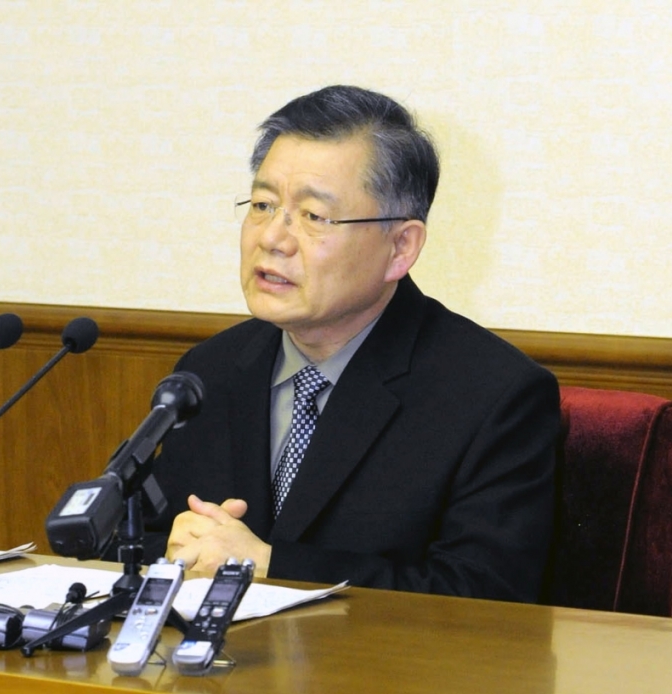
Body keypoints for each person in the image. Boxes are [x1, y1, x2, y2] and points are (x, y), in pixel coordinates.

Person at [146, 85, 560, 602]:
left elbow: (485, 597)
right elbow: (139, 534)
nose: (273, 237)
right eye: (262, 204)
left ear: (400, 247)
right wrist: (174, 548)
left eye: (315, 216)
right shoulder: (210, 371)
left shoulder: (492, 396)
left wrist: (274, 565)